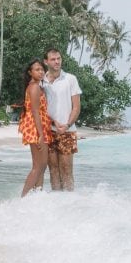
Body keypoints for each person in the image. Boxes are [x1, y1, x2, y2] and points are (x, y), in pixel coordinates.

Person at [42, 47, 82, 191]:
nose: (57, 62)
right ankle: (57, 202)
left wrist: (67, 124)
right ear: (46, 61)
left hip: (67, 131)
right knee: (53, 169)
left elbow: (76, 107)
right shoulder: (42, 81)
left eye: (59, 58)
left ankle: (69, 202)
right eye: (53, 59)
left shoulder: (70, 79)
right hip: (48, 131)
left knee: (66, 170)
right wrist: (52, 123)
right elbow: (39, 109)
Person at [17, 59, 52, 197]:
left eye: (42, 69)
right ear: (30, 72)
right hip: (36, 129)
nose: (41, 71)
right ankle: (23, 197)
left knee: (41, 166)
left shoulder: (36, 86)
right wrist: (41, 134)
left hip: (39, 127)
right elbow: (35, 112)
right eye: (37, 69)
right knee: (38, 167)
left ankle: (37, 196)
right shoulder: (35, 87)